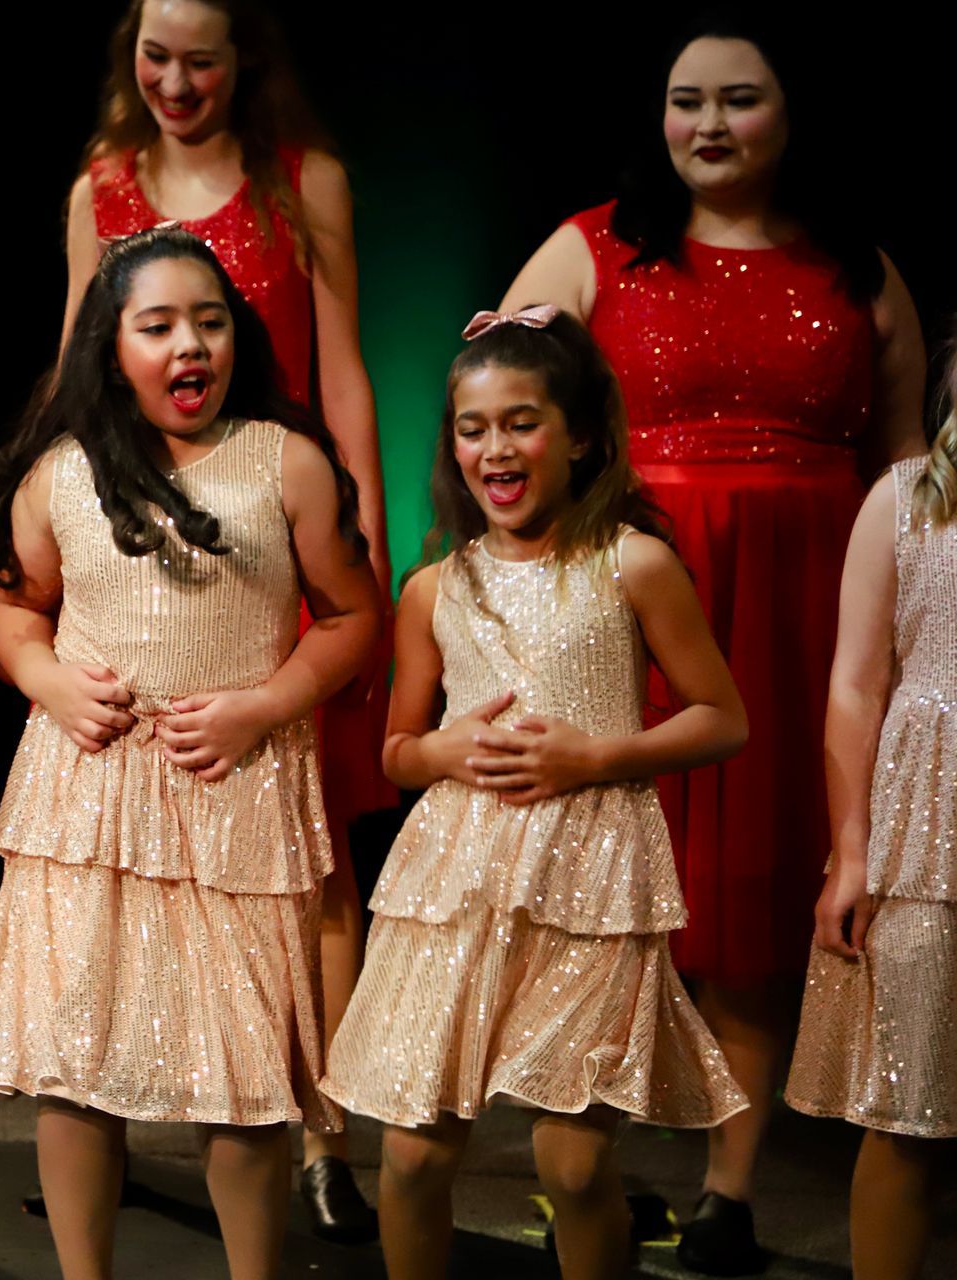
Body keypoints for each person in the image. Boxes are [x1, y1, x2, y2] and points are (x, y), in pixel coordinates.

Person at [500, 22, 926, 1268]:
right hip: (640, 589)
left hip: (807, 598)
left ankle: (730, 1187)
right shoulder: (595, 247)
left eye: (741, 100)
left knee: (760, 880)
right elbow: (505, 400)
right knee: (617, 878)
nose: (711, 125)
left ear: (791, 116)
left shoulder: (859, 265)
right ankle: (597, 1171)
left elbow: (908, 461)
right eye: (688, 102)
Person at [0, 225, 382, 1280]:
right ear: (111, 348)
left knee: (242, 1068)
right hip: (89, 791)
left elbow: (350, 614)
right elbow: (16, 616)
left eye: (210, 321)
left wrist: (262, 704)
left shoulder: (284, 461)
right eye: (158, 326)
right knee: (77, 1062)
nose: (190, 345)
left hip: (232, 786)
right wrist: (51, 681)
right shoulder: (62, 473)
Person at [322, 307, 750, 1280]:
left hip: (592, 875)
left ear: (582, 435)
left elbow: (723, 717)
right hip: (457, 877)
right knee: (414, 1149)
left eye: (520, 422)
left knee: (574, 1154)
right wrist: (443, 749)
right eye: (473, 428)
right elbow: (396, 748)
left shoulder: (631, 562)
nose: (494, 448)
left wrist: (593, 757)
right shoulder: (437, 586)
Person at [62, 4, 391, 1229]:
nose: (175, 79)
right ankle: (120, 1104)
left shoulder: (302, 181)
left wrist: (354, 543)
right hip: (149, 523)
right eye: (154, 54)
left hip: (285, 515)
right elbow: (77, 357)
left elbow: (343, 364)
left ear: (246, 55)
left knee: (314, 843)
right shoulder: (102, 186)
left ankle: (322, 1131)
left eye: (200, 56)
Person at [785, 344, 957, 1280]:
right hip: (926, 831)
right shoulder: (907, 500)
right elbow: (854, 686)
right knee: (908, 1103)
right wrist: (851, 854)